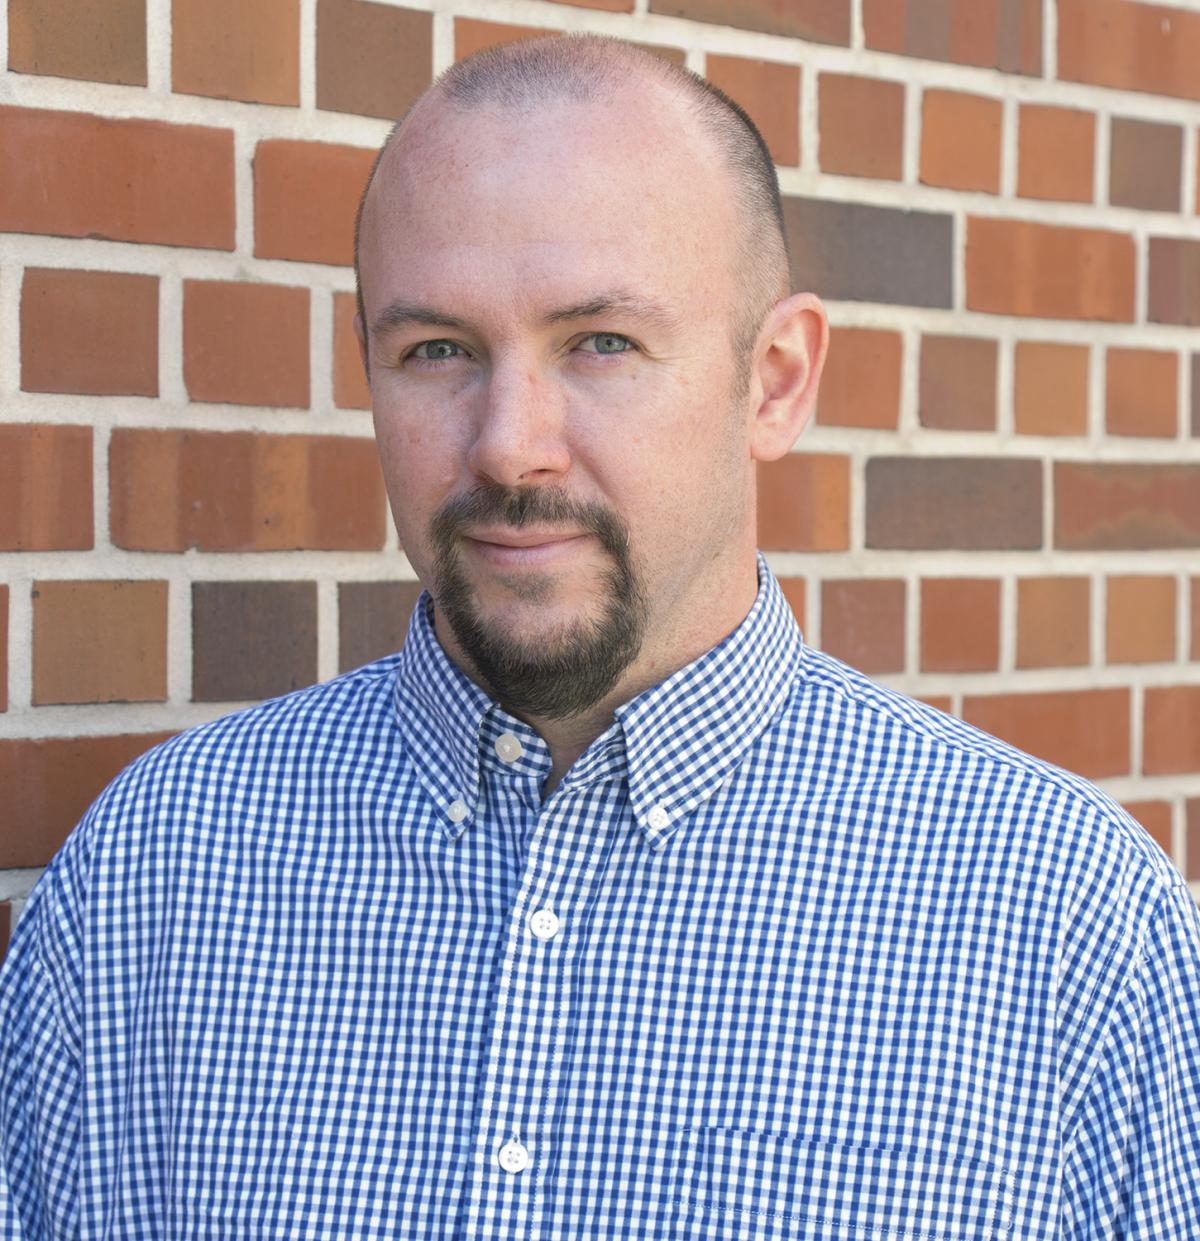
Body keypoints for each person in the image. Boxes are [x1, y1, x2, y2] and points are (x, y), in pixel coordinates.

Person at [2, 33, 1198, 1239]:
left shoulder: (1065, 927)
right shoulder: (151, 880)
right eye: (437, 352)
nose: (509, 444)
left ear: (775, 380)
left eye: (601, 343)